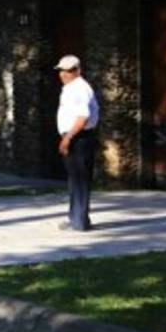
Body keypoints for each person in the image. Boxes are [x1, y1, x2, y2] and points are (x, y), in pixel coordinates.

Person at [55, 54, 99, 231]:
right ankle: (76, 217)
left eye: (69, 71)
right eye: (62, 70)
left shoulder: (80, 89)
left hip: (79, 138)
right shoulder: (70, 88)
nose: (64, 74)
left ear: (77, 71)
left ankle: (79, 221)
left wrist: (67, 138)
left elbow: (83, 117)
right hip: (74, 136)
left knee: (80, 179)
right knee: (74, 179)